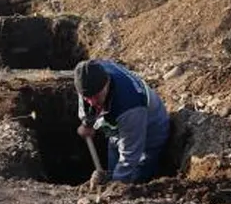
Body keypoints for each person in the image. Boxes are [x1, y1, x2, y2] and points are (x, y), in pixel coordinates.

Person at [73, 59, 170, 188]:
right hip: (118, 128)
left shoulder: (130, 105)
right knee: (114, 164)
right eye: (87, 98)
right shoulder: (89, 78)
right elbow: (87, 101)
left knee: (135, 177)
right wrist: (87, 123)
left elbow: (130, 156)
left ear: (106, 83)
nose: (91, 102)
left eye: (96, 97)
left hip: (150, 132)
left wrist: (115, 186)